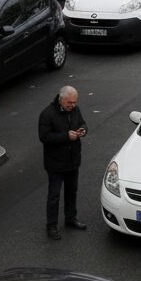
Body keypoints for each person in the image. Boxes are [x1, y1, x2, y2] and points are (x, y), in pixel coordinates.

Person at [38, 86, 87, 240]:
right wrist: (66, 136)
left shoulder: (75, 110)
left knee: (72, 191)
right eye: (69, 103)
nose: (73, 105)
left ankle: (70, 218)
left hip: (72, 160)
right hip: (56, 163)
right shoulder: (47, 114)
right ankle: (51, 226)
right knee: (54, 195)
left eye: (74, 102)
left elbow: (83, 123)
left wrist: (83, 130)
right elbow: (44, 137)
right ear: (61, 99)